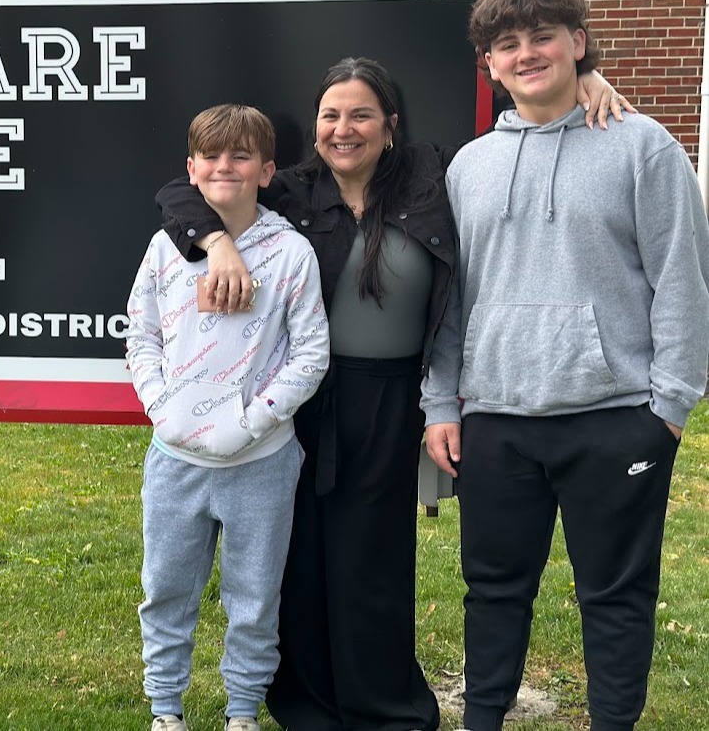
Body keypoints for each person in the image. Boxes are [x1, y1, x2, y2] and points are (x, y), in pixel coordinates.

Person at [154, 59, 626, 730]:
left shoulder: (434, 177)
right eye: (330, 115)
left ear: (391, 125)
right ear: (314, 127)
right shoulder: (287, 190)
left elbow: (523, 129)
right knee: (302, 556)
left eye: (361, 114)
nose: (344, 129)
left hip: (390, 396)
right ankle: (307, 704)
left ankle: (382, 705)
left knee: (371, 558)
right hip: (301, 391)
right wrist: (215, 241)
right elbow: (181, 190)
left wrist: (585, 83)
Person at [422, 0, 709, 731]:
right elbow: (453, 302)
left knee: (615, 596)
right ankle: (482, 720)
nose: (527, 54)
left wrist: (669, 408)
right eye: (507, 44)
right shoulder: (469, 166)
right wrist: (442, 403)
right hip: (497, 420)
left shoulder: (643, 147)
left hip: (617, 419)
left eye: (543, 36)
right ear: (489, 64)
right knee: (493, 591)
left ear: (577, 44)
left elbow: (682, 277)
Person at [126, 103, 330, 731]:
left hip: (260, 463)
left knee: (253, 598)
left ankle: (242, 711)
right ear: (191, 169)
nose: (225, 167)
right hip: (175, 459)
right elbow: (141, 335)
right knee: (165, 590)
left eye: (241, 156)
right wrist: (162, 408)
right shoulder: (167, 248)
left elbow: (311, 352)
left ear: (267, 170)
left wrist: (255, 421)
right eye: (211, 157)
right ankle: (166, 709)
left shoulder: (292, 254)